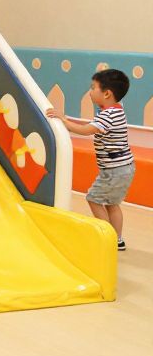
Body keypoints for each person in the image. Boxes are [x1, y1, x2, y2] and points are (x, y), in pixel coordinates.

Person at [46, 69, 134, 250]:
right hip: (124, 167)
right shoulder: (117, 109)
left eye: (93, 88)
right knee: (112, 204)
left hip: (114, 170)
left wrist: (63, 119)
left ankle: (107, 237)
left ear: (107, 94)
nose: (90, 91)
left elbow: (85, 130)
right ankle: (117, 240)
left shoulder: (108, 116)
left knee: (93, 199)